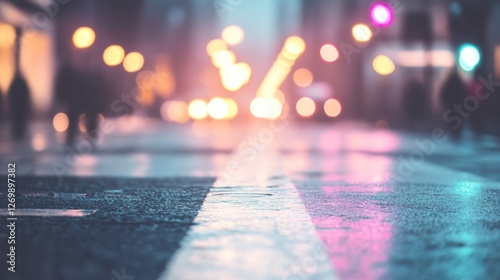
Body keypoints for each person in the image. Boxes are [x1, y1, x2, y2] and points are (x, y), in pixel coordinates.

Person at [440, 68, 468, 140]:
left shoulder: (448, 83)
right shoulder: (459, 83)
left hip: (451, 106)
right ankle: (456, 133)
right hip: (458, 106)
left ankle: (454, 133)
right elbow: (464, 94)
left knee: (452, 120)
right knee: (457, 120)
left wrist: (445, 103)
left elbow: (443, 94)